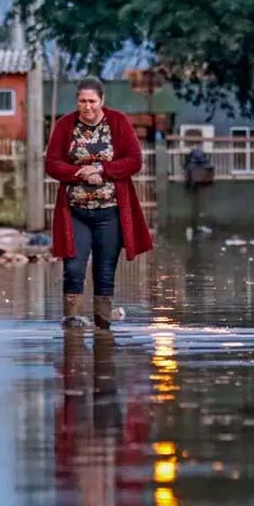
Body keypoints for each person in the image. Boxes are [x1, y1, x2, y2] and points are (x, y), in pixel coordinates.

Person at [45, 77, 154, 329]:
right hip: (76, 212)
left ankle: (102, 323)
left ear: (102, 100)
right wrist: (79, 172)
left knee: (105, 271)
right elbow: (52, 163)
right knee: (73, 267)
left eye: (92, 101)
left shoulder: (118, 122)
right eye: (82, 101)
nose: (87, 106)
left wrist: (102, 170)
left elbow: (134, 160)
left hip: (110, 212)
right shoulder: (65, 125)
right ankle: (72, 320)